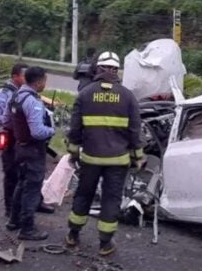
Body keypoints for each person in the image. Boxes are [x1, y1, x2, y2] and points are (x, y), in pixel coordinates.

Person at [65, 51, 143, 256]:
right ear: (116, 71)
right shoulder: (128, 97)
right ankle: (105, 244)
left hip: (90, 159)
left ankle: (73, 235)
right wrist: (138, 157)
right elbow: (135, 131)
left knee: (83, 194)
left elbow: (75, 129)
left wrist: (73, 153)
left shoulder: (85, 94)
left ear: (97, 69)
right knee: (111, 199)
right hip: (118, 162)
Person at [6, 66, 56, 240]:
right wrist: (52, 130)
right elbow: (37, 132)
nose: (45, 84)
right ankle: (27, 228)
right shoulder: (32, 101)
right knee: (32, 188)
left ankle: (14, 220)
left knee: (21, 184)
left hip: (20, 147)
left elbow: (8, 120)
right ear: (39, 81)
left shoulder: (16, 95)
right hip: (33, 149)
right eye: (45, 80)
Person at [0, 63, 28, 218]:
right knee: (11, 175)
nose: (26, 79)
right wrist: (11, 122)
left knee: (26, 174)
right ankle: (10, 209)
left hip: (23, 141)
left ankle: (29, 204)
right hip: (10, 140)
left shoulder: (24, 93)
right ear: (15, 76)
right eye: (24, 75)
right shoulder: (5, 93)